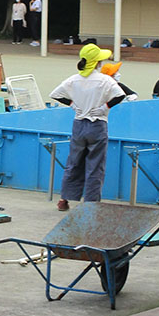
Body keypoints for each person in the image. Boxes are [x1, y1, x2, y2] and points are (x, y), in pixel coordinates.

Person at [49, 44, 126, 211]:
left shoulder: (73, 79)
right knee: (95, 165)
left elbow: (54, 94)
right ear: (98, 62)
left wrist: (72, 104)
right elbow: (120, 95)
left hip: (78, 124)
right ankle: (91, 203)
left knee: (73, 162)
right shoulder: (105, 80)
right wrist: (105, 106)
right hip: (97, 124)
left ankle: (64, 199)